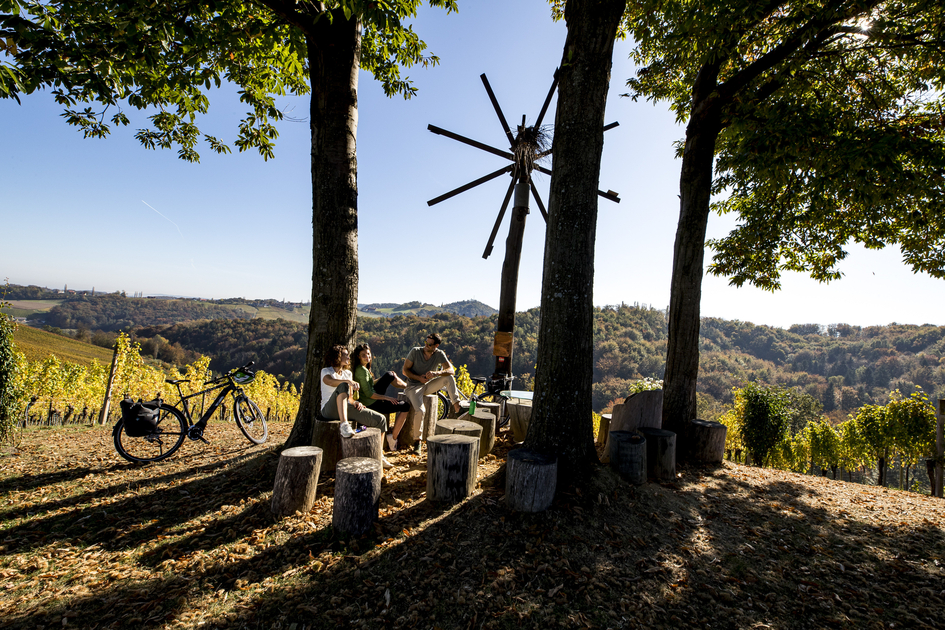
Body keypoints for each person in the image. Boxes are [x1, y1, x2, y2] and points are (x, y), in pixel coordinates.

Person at [320, 344, 393, 469]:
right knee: (342, 386)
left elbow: (349, 398)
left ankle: (380, 456)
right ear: (337, 357)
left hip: (346, 408)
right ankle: (344, 425)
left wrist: (355, 402)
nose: (349, 357)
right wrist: (347, 382)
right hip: (329, 410)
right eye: (345, 355)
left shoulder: (348, 373)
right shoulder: (326, 371)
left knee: (380, 420)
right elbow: (329, 381)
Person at [402, 333, 461, 452]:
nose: (426, 345)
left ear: (436, 346)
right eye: (425, 342)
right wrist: (419, 378)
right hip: (413, 386)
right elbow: (404, 371)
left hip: (427, 385)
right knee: (421, 410)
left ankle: (458, 409)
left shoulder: (439, 354)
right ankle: (417, 442)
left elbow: (451, 370)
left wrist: (437, 373)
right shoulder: (415, 351)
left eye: (429, 344)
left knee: (449, 378)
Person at [352, 342, 410, 451]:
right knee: (405, 406)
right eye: (363, 355)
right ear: (358, 356)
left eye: (368, 354)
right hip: (371, 404)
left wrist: (381, 379)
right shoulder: (362, 371)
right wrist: (388, 398)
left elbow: (369, 386)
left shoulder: (363, 369)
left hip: (370, 401)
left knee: (389, 375)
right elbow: (369, 394)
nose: (367, 357)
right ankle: (393, 438)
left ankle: (408, 386)